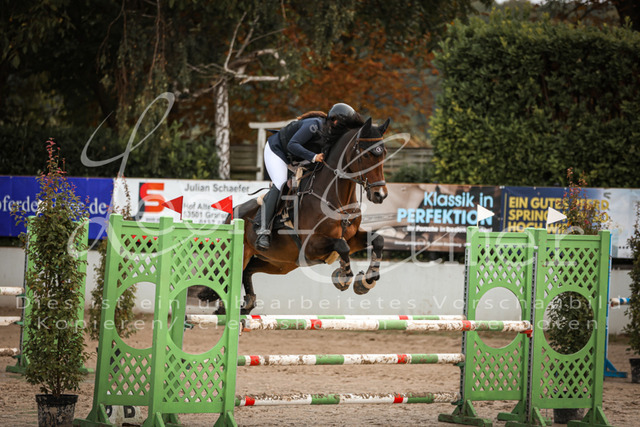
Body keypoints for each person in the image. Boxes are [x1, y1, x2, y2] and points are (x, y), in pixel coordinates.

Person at [255, 102, 359, 251]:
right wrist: (314, 157)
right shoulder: (313, 125)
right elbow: (292, 145)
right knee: (281, 184)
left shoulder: (332, 133)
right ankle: (262, 231)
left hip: (297, 158)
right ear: (335, 121)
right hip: (278, 151)